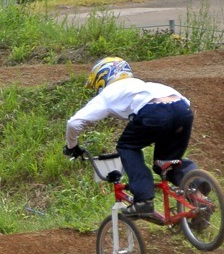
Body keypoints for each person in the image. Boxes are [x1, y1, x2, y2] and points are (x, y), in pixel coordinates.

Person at [64, 56, 196, 217]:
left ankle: (143, 200)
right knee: (165, 163)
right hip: (183, 110)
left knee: (127, 147)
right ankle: (198, 187)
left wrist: (72, 147)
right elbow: (180, 105)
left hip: (154, 112)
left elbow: (74, 123)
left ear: (101, 77)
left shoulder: (108, 94)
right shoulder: (143, 85)